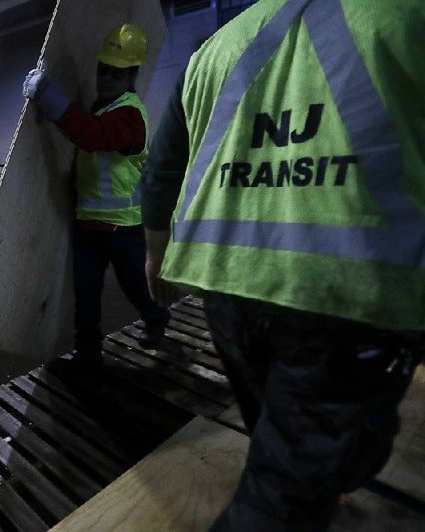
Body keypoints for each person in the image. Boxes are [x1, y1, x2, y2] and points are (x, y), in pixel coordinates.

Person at [140, 0, 425, 529]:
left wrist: (157, 255)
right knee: (285, 495)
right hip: (350, 295)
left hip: (226, 284)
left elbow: (160, 173)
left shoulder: (213, 49)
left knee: (281, 433)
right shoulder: (405, 16)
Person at [23, 24, 171, 367]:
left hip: (123, 228)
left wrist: (47, 94)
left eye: (116, 74)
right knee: (86, 295)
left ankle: (156, 316)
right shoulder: (101, 106)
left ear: (132, 75)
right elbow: (86, 139)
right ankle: (88, 357)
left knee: (135, 288)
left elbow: (92, 136)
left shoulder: (130, 116)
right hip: (89, 225)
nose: (106, 78)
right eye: (103, 70)